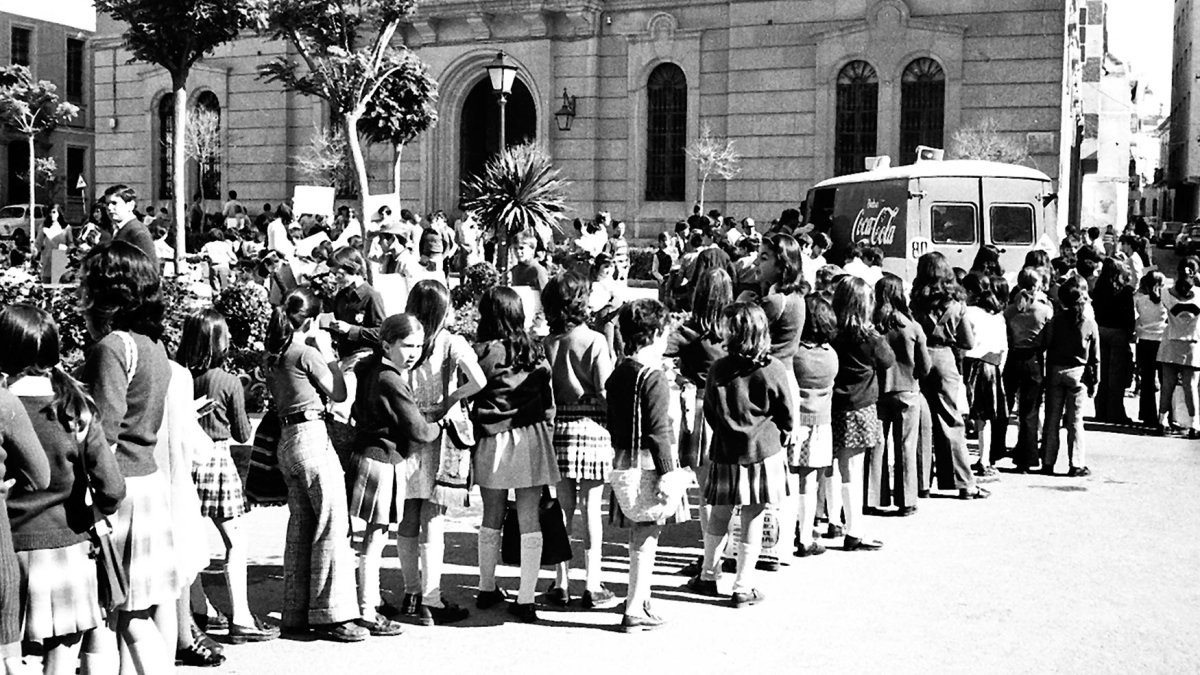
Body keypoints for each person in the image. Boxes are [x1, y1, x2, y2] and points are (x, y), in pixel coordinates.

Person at [0, 305, 122, 675]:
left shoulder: (4, 405)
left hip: (8, 546)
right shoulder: (76, 408)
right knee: (63, 656)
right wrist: (98, 510)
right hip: (67, 546)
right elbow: (112, 488)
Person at [78, 241, 176, 673]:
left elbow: (102, 436)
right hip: (147, 483)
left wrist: (97, 499)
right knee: (135, 614)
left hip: (116, 490)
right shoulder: (152, 345)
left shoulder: (112, 349)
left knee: (104, 616)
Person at [265, 287, 365, 641]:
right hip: (311, 435)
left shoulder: (274, 354)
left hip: (287, 439)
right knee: (332, 524)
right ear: (309, 321)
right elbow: (338, 393)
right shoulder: (305, 353)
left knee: (301, 527)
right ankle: (332, 614)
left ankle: (295, 612)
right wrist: (333, 358)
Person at [175, 309, 278, 644]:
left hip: (184, 463)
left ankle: (199, 607)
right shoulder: (229, 381)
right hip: (217, 461)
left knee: (190, 539)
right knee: (235, 541)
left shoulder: (179, 376)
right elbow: (242, 432)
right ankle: (241, 617)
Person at [394, 281, 483, 625]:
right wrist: (453, 397)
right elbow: (479, 381)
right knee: (433, 516)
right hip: (441, 433)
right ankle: (432, 599)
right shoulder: (451, 342)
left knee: (408, 515)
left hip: (408, 429)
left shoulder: (405, 340)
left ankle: (411, 593)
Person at [471, 287, 558, 623]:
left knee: (491, 515)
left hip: (492, 438)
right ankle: (526, 598)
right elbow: (548, 400)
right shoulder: (535, 349)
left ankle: (486, 586)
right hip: (532, 436)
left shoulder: (483, 352)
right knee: (529, 518)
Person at [697, 303, 793, 606]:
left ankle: (708, 574)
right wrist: (784, 433)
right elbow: (786, 412)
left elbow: (710, 410)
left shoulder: (718, 369)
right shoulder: (773, 368)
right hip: (762, 451)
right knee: (753, 515)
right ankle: (743, 585)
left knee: (720, 513)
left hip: (725, 450)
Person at [343, 314, 433, 637]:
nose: (413, 353)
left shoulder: (370, 368)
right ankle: (368, 610)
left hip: (364, 454)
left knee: (365, 537)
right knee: (375, 538)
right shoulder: (392, 379)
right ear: (386, 345)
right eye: (407, 346)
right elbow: (419, 430)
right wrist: (440, 425)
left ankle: (369, 601)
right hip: (382, 461)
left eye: (418, 346)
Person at [541, 273, 617, 608]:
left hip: (558, 426)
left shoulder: (548, 343)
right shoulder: (595, 340)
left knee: (563, 508)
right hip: (593, 426)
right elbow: (605, 390)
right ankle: (593, 582)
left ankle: (561, 582)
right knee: (591, 509)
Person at [607, 298, 678, 631]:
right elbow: (658, 431)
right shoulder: (654, 377)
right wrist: (669, 473)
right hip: (650, 461)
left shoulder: (620, 371)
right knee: (648, 531)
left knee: (638, 530)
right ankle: (635, 606)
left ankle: (640, 596)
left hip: (624, 456)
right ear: (656, 333)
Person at [669, 269, 732, 582]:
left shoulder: (689, 331)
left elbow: (658, 349)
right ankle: (724, 552)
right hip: (733, 409)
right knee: (728, 491)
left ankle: (711, 559)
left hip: (698, 407)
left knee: (707, 491)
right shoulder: (734, 329)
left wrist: (678, 376)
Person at [910, 252, 988, 499]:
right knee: (950, 420)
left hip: (919, 358)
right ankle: (963, 482)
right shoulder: (956, 305)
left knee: (922, 422)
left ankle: (921, 482)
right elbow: (968, 342)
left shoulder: (916, 302)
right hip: (944, 359)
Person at [830, 277, 895, 550]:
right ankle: (854, 529)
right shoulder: (870, 338)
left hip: (831, 404)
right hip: (860, 406)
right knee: (853, 471)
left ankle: (832, 519)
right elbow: (888, 360)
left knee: (830, 466)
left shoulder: (831, 333)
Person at [873, 275, 929, 515]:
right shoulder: (912, 326)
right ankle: (906, 500)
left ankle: (872, 497)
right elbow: (925, 365)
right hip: (907, 389)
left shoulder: (873, 325)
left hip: (878, 390)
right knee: (906, 445)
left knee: (876, 444)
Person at [789, 295, 839, 557]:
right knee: (810, 483)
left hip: (795, 422)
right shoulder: (831, 355)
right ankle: (806, 536)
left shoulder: (795, 355)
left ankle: (786, 531)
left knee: (789, 480)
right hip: (821, 423)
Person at [1041, 276, 1100, 475]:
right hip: (1078, 373)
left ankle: (1047, 461)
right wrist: (1095, 381)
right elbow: (1095, 357)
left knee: (1052, 419)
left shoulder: (1055, 321)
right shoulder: (1089, 323)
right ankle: (1076, 464)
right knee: (1075, 420)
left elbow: (1047, 345)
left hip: (1055, 370)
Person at [1003, 268, 1054, 472]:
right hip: (1033, 359)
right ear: (1037, 285)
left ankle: (994, 449)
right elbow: (1048, 340)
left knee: (1006, 406)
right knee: (1030, 411)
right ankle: (1026, 457)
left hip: (1013, 357)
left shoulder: (1009, 310)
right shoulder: (1044, 311)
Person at [961, 272, 1008, 478]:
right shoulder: (997, 315)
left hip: (970, 364)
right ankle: (984, 459)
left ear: (970, 291)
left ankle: (960, 460)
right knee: (985, 417)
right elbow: (1004, 347)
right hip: (992, 365)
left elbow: (962, 342)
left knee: (963, 414)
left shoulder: (967, 313)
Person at [1157, 256, 1200, 437]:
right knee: (1191, 386)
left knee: (1167, 386)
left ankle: (1161, 421)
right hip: (1192, 344)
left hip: (1170, 341)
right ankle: (1194, 424)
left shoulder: (1165, 293)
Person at [1092, 258, 1136, 424]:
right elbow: (1129, 316)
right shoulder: (1125, 292)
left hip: (1101, 330)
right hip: (1118, 333)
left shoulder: (1098, 289)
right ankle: (1115, 411)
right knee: (1116, 376)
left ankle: (1101, 409)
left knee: (1102, 373)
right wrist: (1129, 332)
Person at [327, 247, 387, 359]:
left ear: (353, 269)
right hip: (343, 354)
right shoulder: (341, 295)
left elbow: (381, 333)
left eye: (339, 275)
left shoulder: (371, 296)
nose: (335, 279)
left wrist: (351, 330)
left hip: (364, 356)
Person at [1134, 271, 1167, 426]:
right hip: (1162, 340)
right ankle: (1165, 415)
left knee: (1147, 380)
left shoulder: (1140, 300)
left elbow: (1138, 318)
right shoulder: (1165, 301)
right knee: (1165, 379)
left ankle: (1148, 415)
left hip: (1145, 340)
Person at [103, 185, 158, 269]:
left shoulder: (138, 232)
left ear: (130, 205)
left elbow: (151, 269)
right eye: (107, 204)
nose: (109, 208)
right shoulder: (117, 228)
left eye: (114, 203)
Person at [201, 228, 238, 294]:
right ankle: (224, 297)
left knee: (215, 286)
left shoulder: (208, 245)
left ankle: (216, 296)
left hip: (213, 266)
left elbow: (201, 254)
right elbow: (234, 258)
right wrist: (231, 262)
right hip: (224, 265)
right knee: (224, 285)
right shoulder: (225, 245)